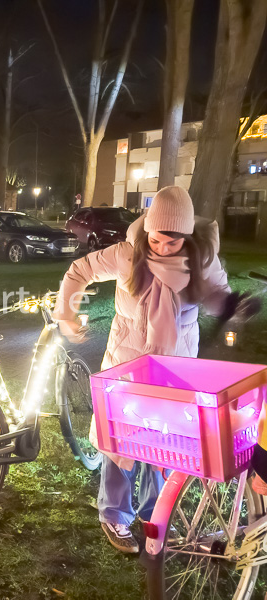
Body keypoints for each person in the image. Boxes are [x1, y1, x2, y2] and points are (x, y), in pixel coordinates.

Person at [54, 185, 238, 554]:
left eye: (172, 243)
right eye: (156, 239)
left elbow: (217, 295)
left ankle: (157, 513)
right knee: (121, 442)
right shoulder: (128, 254)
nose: (162, 248)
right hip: (127, 365)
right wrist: (66, 313)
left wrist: (233, 306)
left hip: (175, 369)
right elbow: (80, 270)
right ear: (147, 231)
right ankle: (115, 514)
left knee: (165, 444)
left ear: (187, 237)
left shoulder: (201, 260)